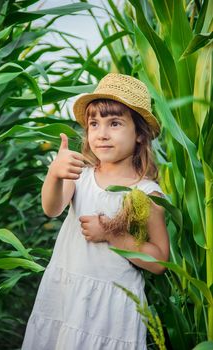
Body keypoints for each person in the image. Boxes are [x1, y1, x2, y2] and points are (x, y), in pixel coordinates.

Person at [21, 73, 170, 350]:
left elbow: (160, 260)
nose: (101, 133)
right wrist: (54, 174)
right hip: (66, 295)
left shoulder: (147, 193)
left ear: (139, 134)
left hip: (111, 307)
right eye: (94, 124)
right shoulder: (81, 176)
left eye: (114, 123)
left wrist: (113, 236)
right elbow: (52, 209)